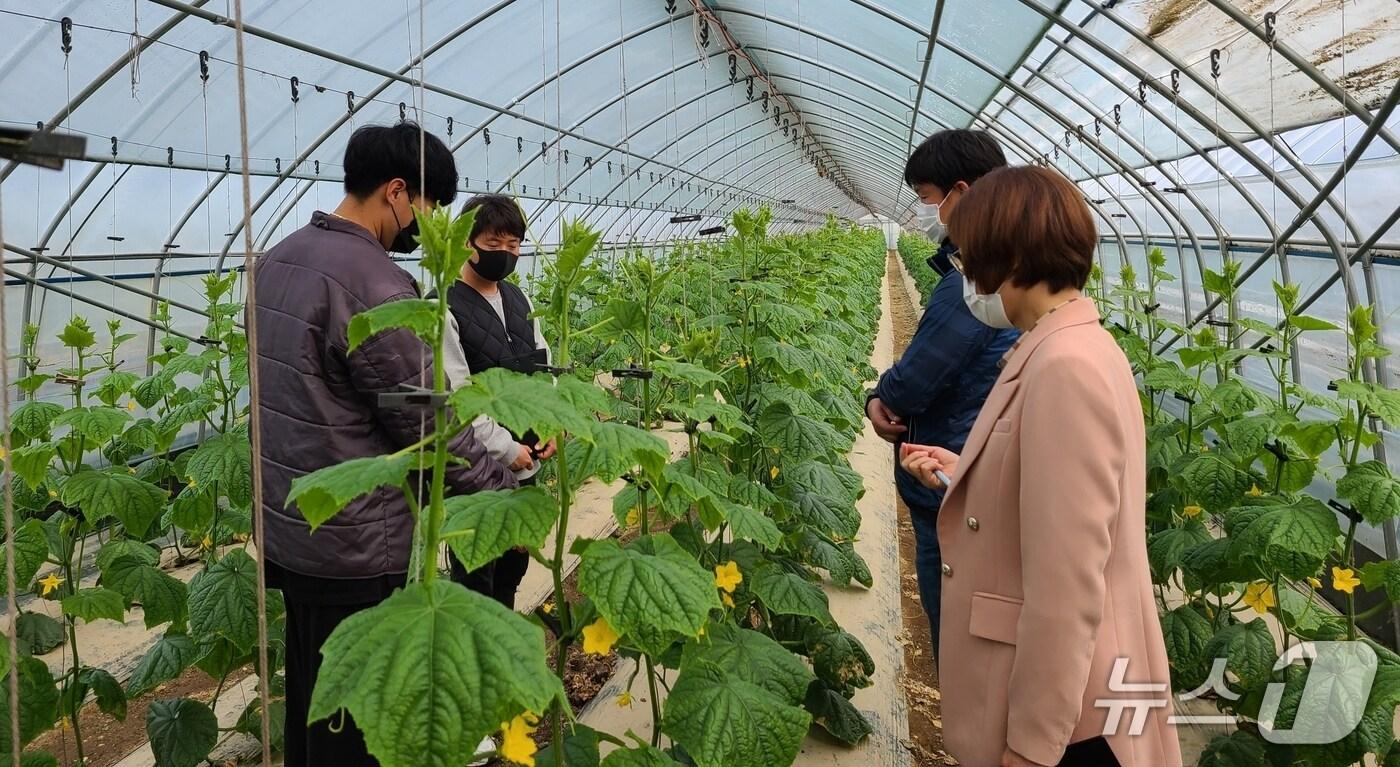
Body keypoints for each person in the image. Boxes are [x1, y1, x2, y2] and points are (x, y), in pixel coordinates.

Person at [253, 122, 516, 766]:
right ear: (397, 193)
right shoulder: (374, 283)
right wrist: (502, 490)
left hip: (297, 524)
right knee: (366, 730)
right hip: (360, 545)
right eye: (428, 211)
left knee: (319, 701)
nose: (427, 229)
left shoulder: (277, 259)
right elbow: (421, 415)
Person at [899, 166, 1180, 767]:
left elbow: (1068, 582)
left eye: (969, 255)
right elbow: (1053, 495)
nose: (966, 273)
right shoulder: (1071, 344)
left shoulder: (1064, 367)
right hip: (1081, 697)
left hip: (1074, 722)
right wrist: (968, 468)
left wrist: (1031, 744)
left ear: (1006, 255)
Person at [865, 129, 1019, 652]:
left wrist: (879, 394)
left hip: (951, 471)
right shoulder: (1001, 271)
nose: (930, 213)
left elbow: (917, 378)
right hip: (975, 460)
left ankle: (966, 723)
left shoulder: (974, 279)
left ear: (962, 191)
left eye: (930, 201)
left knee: (955, 627)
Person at [436, 193, 556, 608]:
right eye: (494, 244)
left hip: (528, 455)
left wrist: (550, 424)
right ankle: (475, 665)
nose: (506, 254)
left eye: (514, 245)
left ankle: (501, 650)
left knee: (513, 564)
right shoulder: (444, 305)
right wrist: (506, 450)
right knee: (476, 570)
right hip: (477, 468)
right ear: (466, 243)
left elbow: (542, 365)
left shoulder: (518, 299)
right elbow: (458, 396)